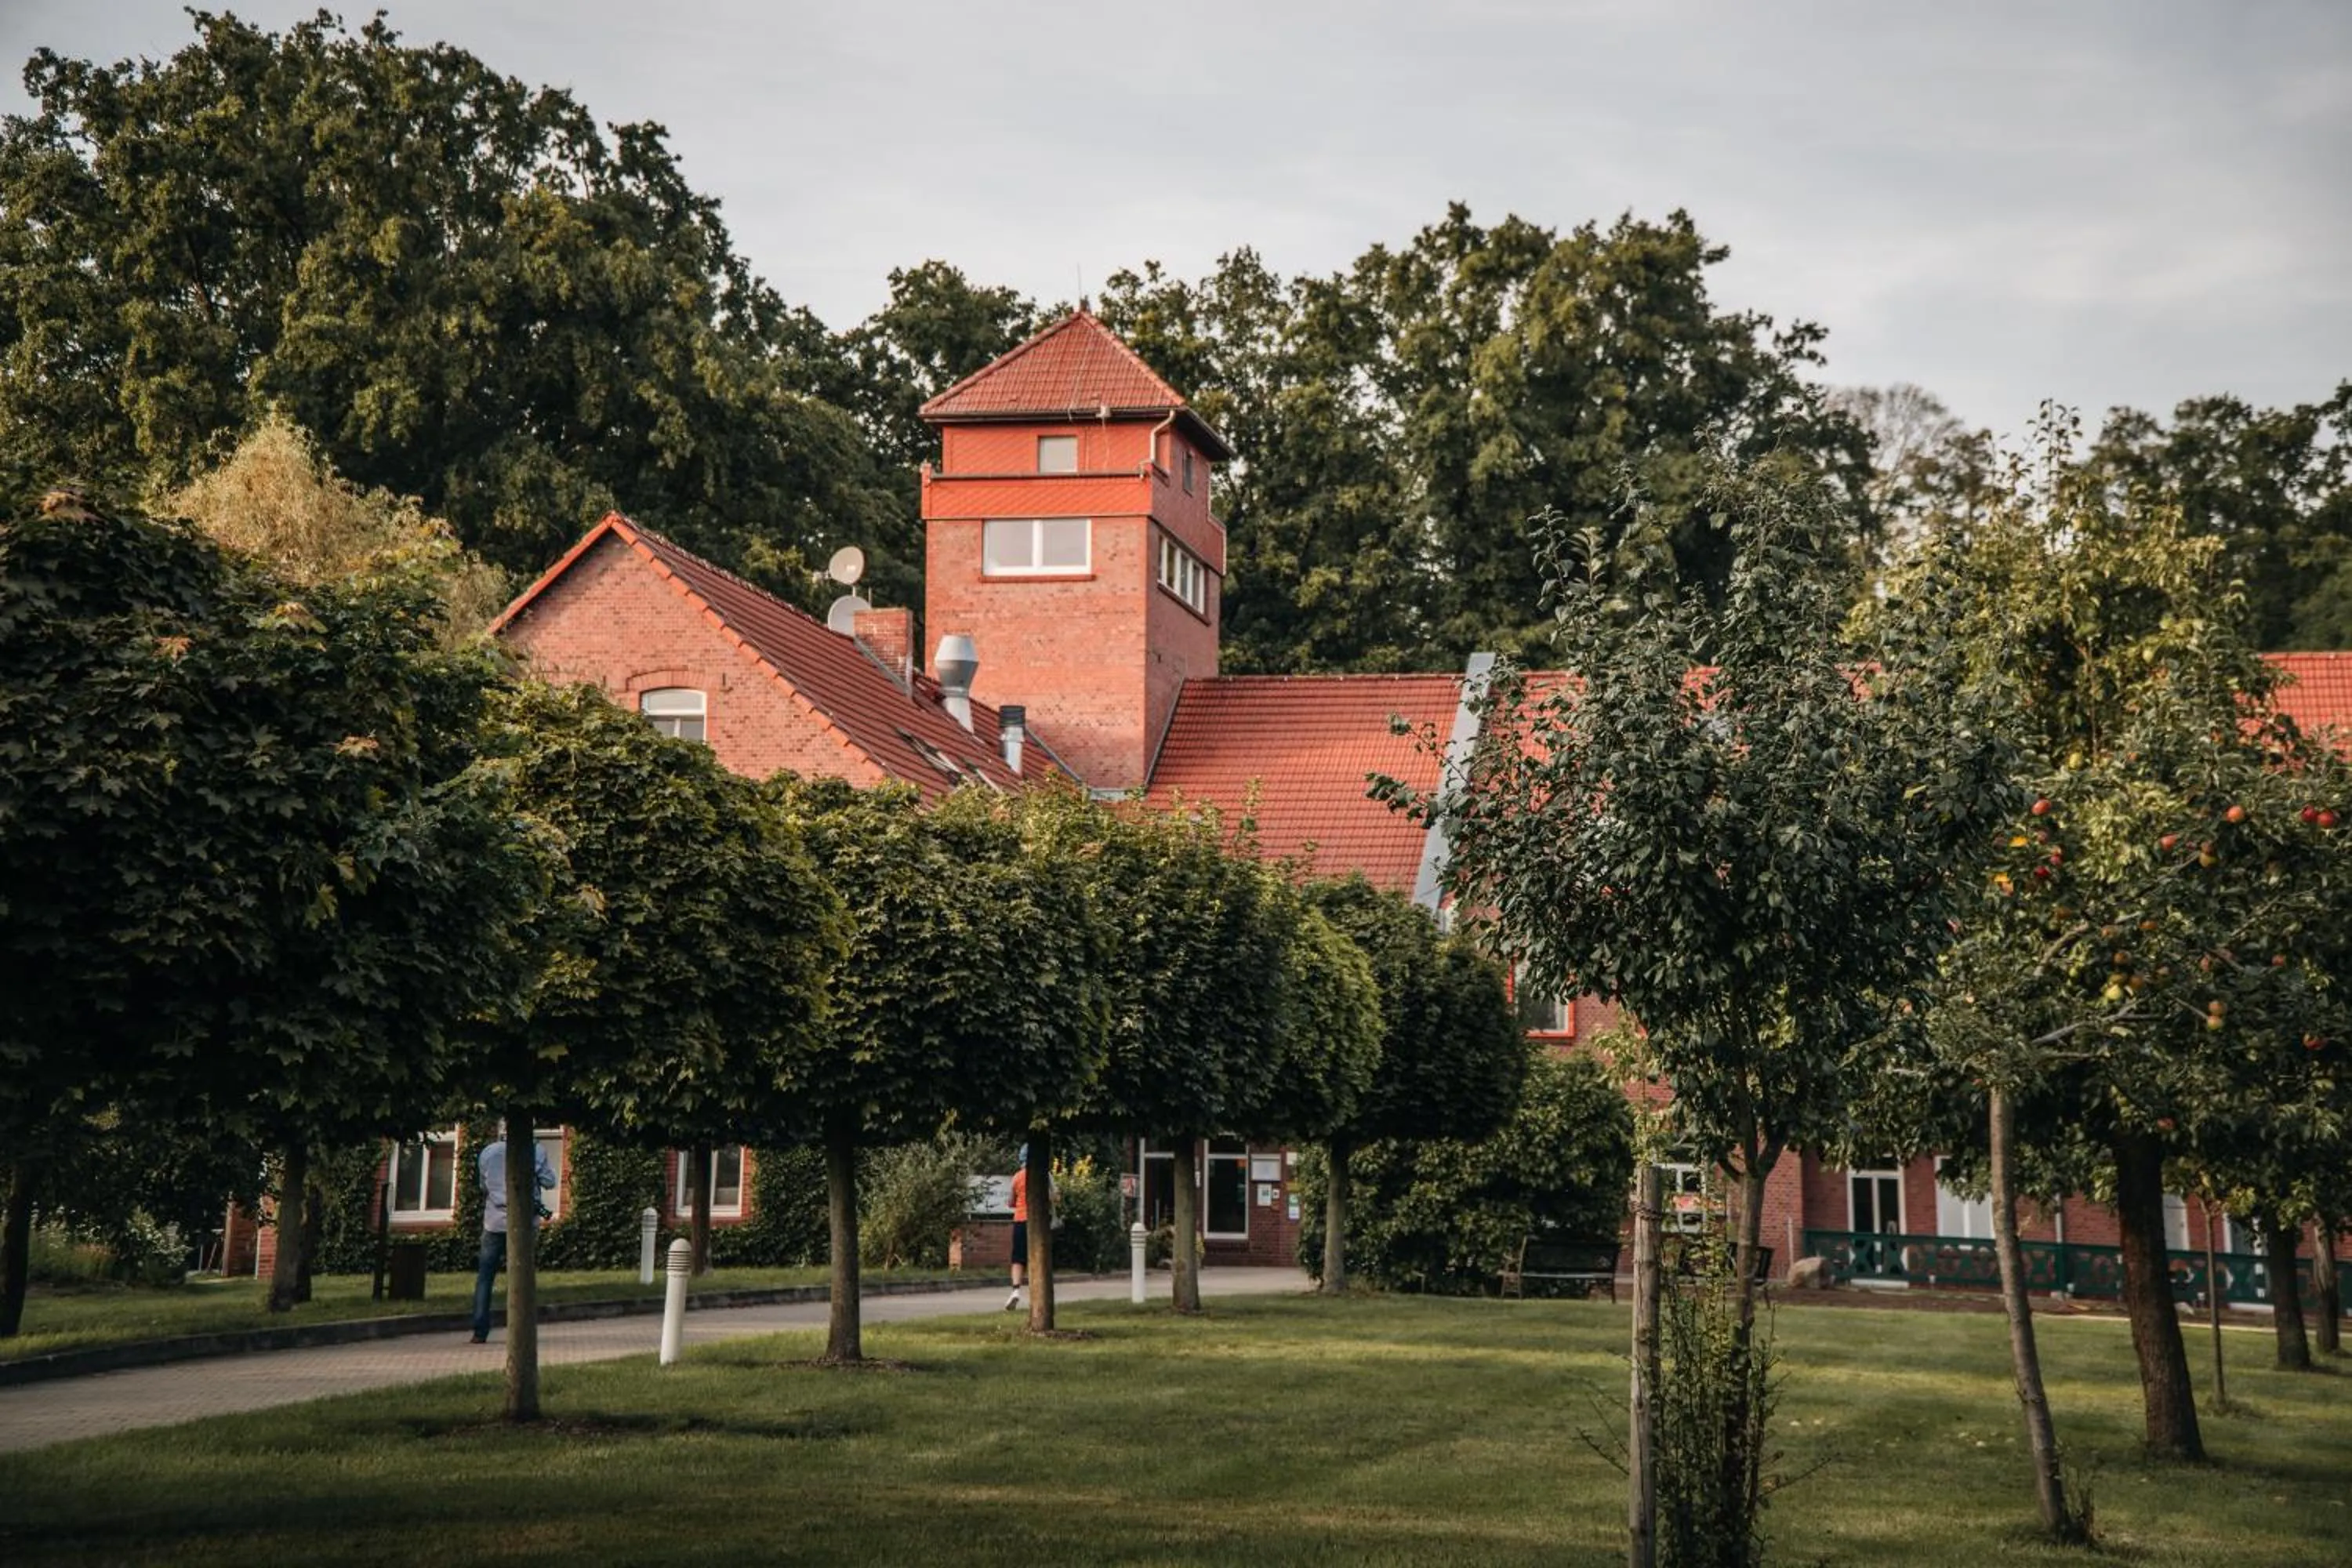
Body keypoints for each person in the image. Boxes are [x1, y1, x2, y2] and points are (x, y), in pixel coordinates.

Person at [470, 1123, 557, 1344]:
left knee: (485, 1277)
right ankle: (520, 1328)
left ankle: (480, 1331)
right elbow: (550, 1181)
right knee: (521, 1276)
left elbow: (483, 1186)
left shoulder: (489, 1152)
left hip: (494, 1222)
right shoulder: (535, 1151)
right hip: (524, 1222)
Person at [1005, 1148, 1029, 1312]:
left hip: (1020, 1219)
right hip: (1038, 1223)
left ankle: (1015, 1290)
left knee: (1018, 1258)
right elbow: (1054, 1196)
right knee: (1037, 1257)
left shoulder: (1017, 1177)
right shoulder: (1045, 1176)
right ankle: (1037, 1291)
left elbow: (1011, 1201)